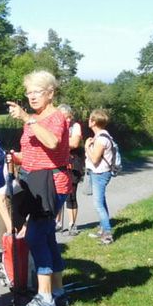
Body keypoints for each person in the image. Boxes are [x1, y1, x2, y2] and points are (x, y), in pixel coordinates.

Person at [6, 70, 71, 306]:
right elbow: (34, 150)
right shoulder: (36, 117)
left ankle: (45, 299)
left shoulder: (54, 117)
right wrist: (17, 158)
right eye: (29, 92)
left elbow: (53, 142)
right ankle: (57, 291)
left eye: (37, 92)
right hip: (35, 181)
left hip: (51, 183)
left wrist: (27, 119)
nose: (32, 97)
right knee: (47, 238)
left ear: (50, 93)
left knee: (35, 238)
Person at [84, 108, 117, 246]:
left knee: (98, 204)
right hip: (100, 173)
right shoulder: (103, 136)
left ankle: (107, 235)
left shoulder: (101, 139)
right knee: (101, 202)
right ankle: (103, 229)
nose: (88, 121)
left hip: (100, 174)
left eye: (90, 119)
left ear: (93, 122)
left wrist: (86, 146)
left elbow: (95, 159)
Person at [56, 104, 84, 236]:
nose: (66, 120)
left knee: (71, 194)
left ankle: (72, 224)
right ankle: (57, 222)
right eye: (63, 117)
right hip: (58, 162)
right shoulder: (55, 126)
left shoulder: (75, 126)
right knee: (57, 193)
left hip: (73, 163)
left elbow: (74, 143)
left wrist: (58, 142)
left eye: (67, 117)